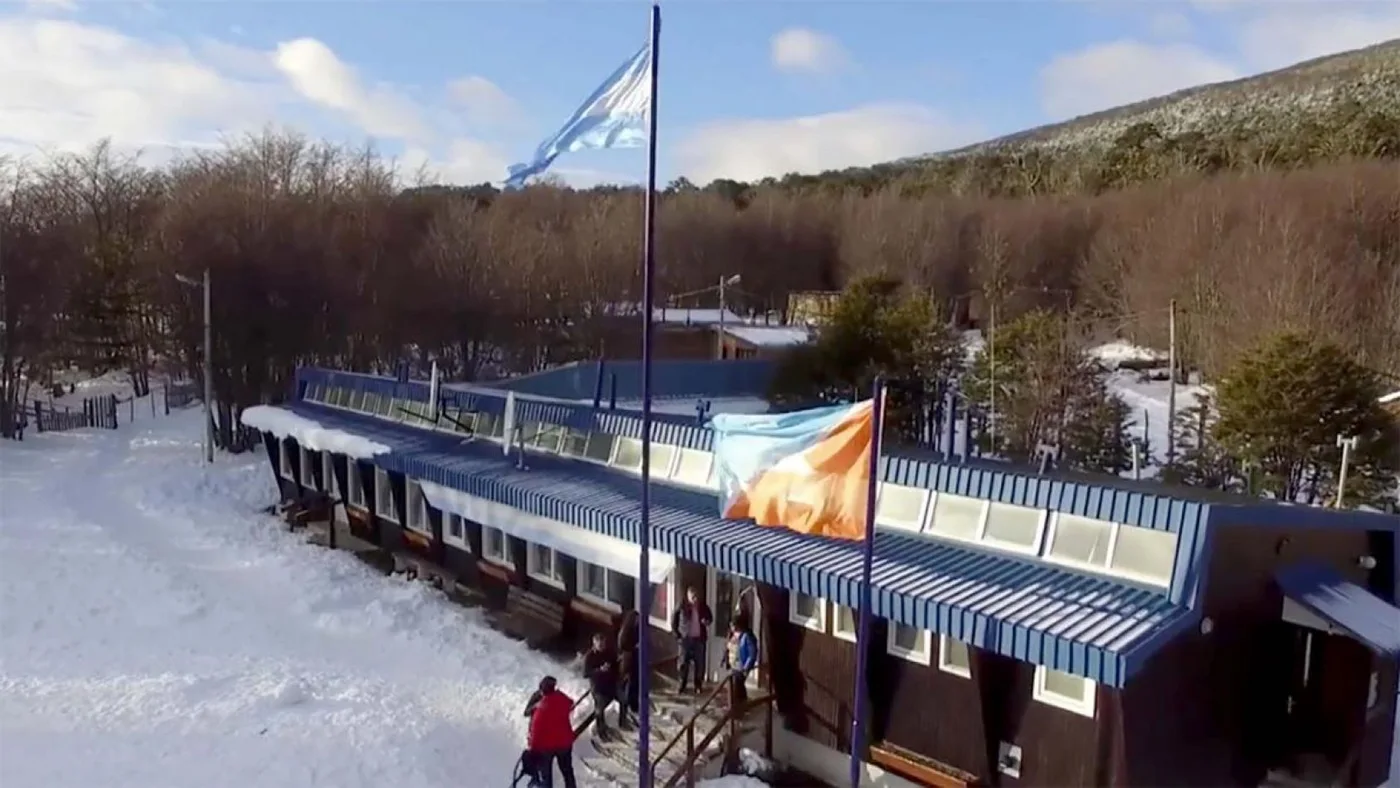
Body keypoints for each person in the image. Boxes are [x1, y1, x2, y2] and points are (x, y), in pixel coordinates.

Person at [522, 676, 577, 788]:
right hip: (564, 743)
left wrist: (532, 749)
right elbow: (570, 704)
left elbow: (535, 732)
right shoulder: (561, 697)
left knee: (546, 776)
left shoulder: (540, 708)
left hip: (546, 747)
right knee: (567, 771)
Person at [670, 586, 713, 694]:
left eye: (696, 596)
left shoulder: (703, 606)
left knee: (699, 663)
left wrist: (706, 621)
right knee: (683, 663)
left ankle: (698, 685)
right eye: (693, 597)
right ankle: (682, 684)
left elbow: (710, 618)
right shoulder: (682, 606)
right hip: (685, 639)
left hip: (699, 639)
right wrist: (677, 634)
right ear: (688, 596)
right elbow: (673, 619)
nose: (695, 599)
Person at [582, 632, 620, 741]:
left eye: (603, 644)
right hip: (598, 687)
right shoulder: (589, 657)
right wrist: (599, 670)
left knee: (623, 699)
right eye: (599, 645)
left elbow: (615, 664)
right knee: (600, 709)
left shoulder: (609, 653)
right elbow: (585, 674)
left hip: (610, 684)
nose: (602, 647)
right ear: (594, 644)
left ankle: (622, 721)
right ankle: (601, 731)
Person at [720, 615, 759, 707]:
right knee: (737, 686)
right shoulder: (732, 635)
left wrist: (746, 667)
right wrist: (724, 659)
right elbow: (727, 648)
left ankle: (738, 706)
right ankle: (741, 705)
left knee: (737, 685)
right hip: (732, 664)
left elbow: (752, 653)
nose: (732, 627)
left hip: (741, 666)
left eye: (733, 625)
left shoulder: (746, 636)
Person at [616, 609, 640, 730]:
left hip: (636, 659)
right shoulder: (625, 632)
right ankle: (629, 707)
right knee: (629, 684)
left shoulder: (637, 629)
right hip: (628, 660)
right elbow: (622, 646)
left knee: (635, 683)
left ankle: (634, 705)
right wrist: (633, 647)